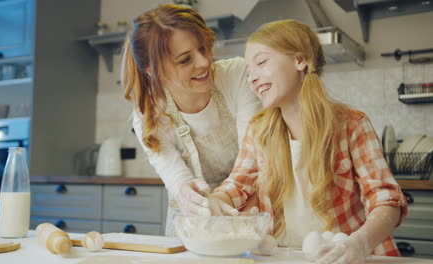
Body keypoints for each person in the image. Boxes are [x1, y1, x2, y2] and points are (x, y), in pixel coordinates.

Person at [207, 20, 408, 263]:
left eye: (261, 62)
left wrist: (359, 243)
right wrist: (210, 203)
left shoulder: (351, 125)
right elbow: (237, 187)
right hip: (285, 257)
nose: (252, 78)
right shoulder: (258, 131)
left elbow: (385, 198)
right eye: (249, 71)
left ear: (300, 60)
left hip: (350, 258)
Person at [121, 4, 262, 236]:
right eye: (185, 60)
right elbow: (179, 180)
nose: (204, 62)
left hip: (249, 206)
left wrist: (235, 207)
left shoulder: (237, 76)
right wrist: (191, 198)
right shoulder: (149, 112)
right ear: (152, 71)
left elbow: (253, 157)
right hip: (192, 223)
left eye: (203, 48)